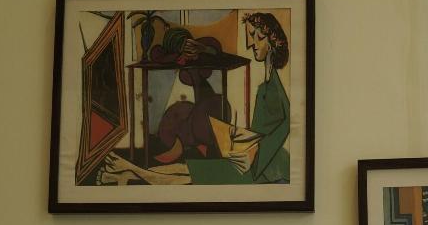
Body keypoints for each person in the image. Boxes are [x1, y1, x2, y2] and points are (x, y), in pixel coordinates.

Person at [98, 12, 290, 185]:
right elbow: (262, 130)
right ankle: (124, 173)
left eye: (259, 37)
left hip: (265, 167)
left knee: (191, 173)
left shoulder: (274, 87)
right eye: (250, 36)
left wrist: (255, 154)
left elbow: (287, 124)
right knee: (189, 169)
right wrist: (242, 144)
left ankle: (129, 170)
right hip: (252, 157)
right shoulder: (265, 85)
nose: (251, 44)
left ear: (273, 40)